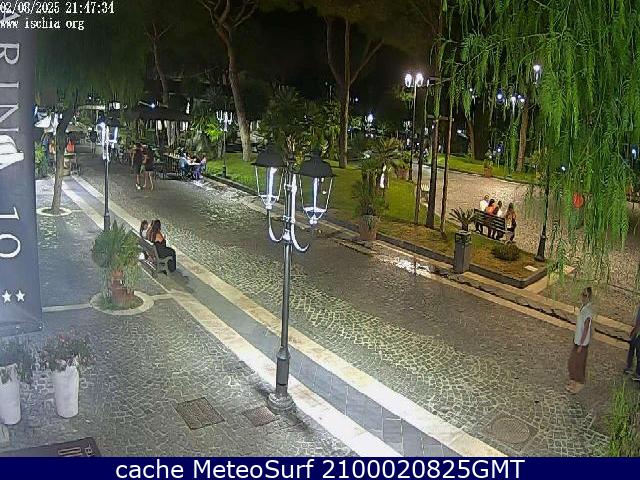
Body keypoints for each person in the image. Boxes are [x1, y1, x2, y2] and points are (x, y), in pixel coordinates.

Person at [567, 287, 594, 394]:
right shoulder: (583, 307)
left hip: (581, 343)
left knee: (578, 363)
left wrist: (581, 344)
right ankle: (573, 381)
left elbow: (586, 329)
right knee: (572, 362)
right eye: (582, 294)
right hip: (577, 340)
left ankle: (579, 382)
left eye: (585, 295)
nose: (583, 297)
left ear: (589, 297)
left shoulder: (588, 311)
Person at [624, 305, 640, 381]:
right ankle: (630, 367)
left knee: (638, 351)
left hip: (638, 333)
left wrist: (635, 331)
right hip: (637, 331)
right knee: (632, 346)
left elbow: (638, 322)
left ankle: (637, 373)